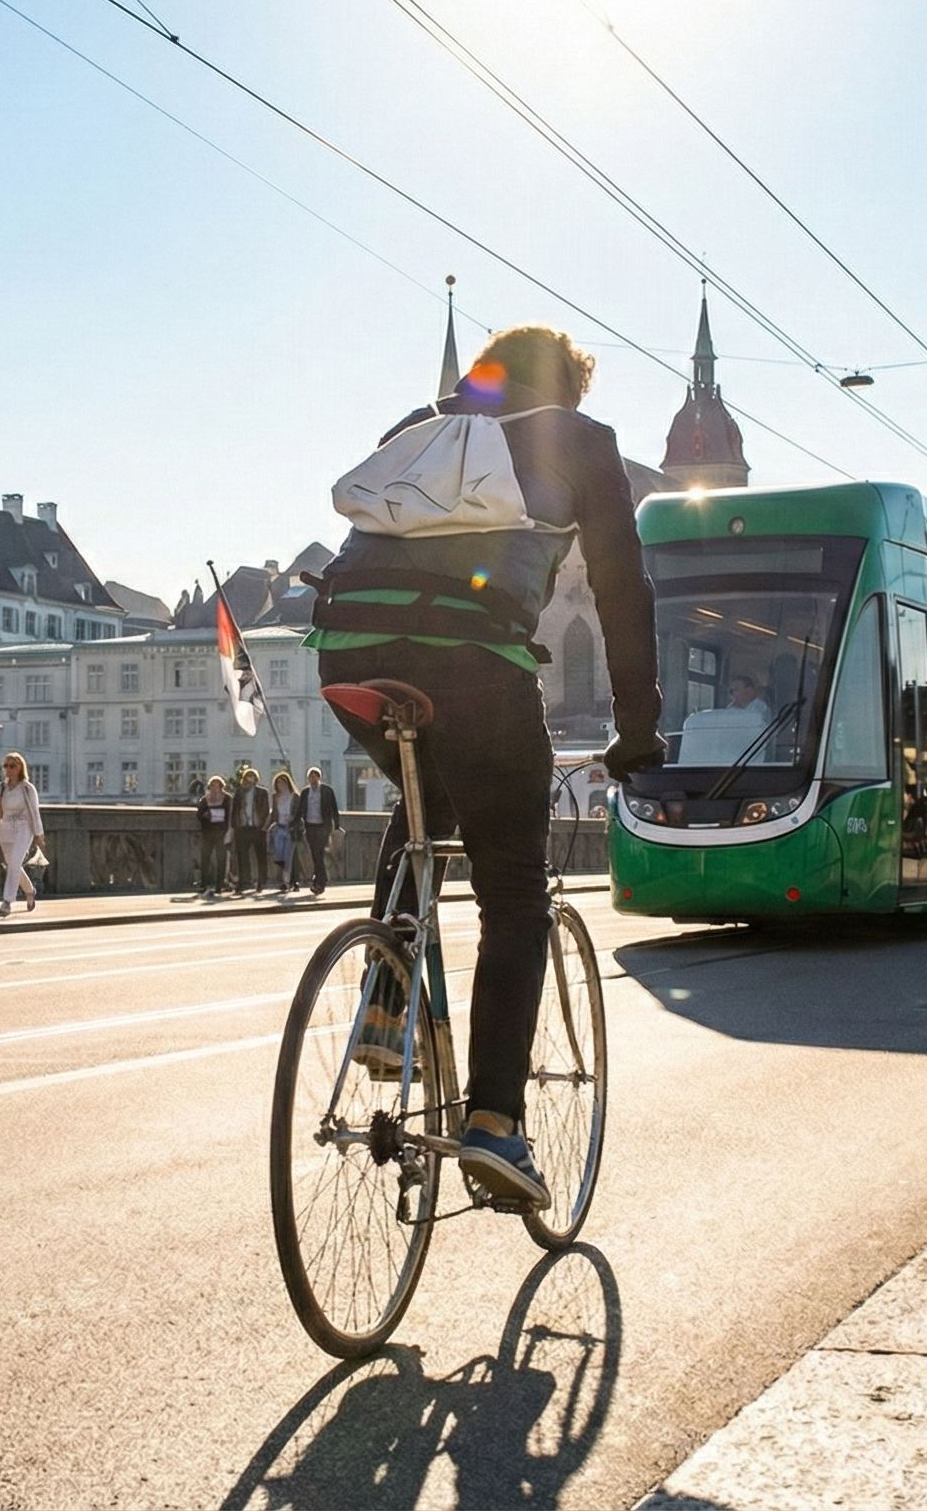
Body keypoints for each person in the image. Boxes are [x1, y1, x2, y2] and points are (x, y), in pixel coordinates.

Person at [307, 323, 662, 1208]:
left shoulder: (415, 427)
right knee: (513, 894)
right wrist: (638, 729)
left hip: (347, 652)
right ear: (567, 389)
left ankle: (385, 1006)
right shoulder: (580, 441)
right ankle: (496, 1123)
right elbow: (622, 592)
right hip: (473, 663)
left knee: (426, 796)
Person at [0, 751, 45, 916]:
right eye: (5, 766)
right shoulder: (1, 788)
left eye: (12, 766)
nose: (8, 769)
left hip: (24, 827)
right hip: (5, 828)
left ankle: (7, 901)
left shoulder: (27, 788)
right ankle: (29, 890)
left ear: (20, 768)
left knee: (16, 862)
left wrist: (39, 833)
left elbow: (34, 812)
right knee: (12, 864)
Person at [296, 766, 341, 894]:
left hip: (323, 826)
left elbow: (334, 808)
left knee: (318, 852)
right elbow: (300, 809)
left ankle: (319, 881)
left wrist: (336, 825)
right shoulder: (305, 792)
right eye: (311, 776)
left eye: (315, 776)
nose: (313, 779)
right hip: (310, 826)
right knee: (315, 854)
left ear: (319, 778)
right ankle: (321, 878)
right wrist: (295, 822)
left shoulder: (327, 790)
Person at [231, 763, 272, 895]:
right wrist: (234, 826)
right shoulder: (239, 792)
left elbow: (265, 810)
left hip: (257, 827)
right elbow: (234, 810)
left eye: (252, 776)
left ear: (256, 779)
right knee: (242, 856)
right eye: (247, 776)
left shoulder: (262, 792)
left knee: (261, 855)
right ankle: (244, 881)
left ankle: (262, 881)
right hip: (243, 827)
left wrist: (264, 826)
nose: (249, 778)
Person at [195, 776, 231, 896]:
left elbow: (231, 815)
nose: (215, 788)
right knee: (205, 858)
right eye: (212, 786)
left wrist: (230, 831)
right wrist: (205, 815)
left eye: (217, 785)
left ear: (221, 786)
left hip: (222, 832)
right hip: (208, 832)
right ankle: (204, 883)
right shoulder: (205, 799)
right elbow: (199, 815)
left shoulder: (227, 799)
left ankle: (220, 884)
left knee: (221, 859)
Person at [268, 769, 298, 892]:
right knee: (279, 855)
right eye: (279, 783)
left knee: (288, 856)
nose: (281, 785)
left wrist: (293, 817)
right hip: (279, 828)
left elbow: (299, 812)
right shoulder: (275, 797)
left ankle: (286, 882)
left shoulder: (294, 796)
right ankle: (288, 879)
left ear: (288, 783)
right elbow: (273, 813)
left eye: (283, 782)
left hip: (290, 829)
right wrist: (268, 826)